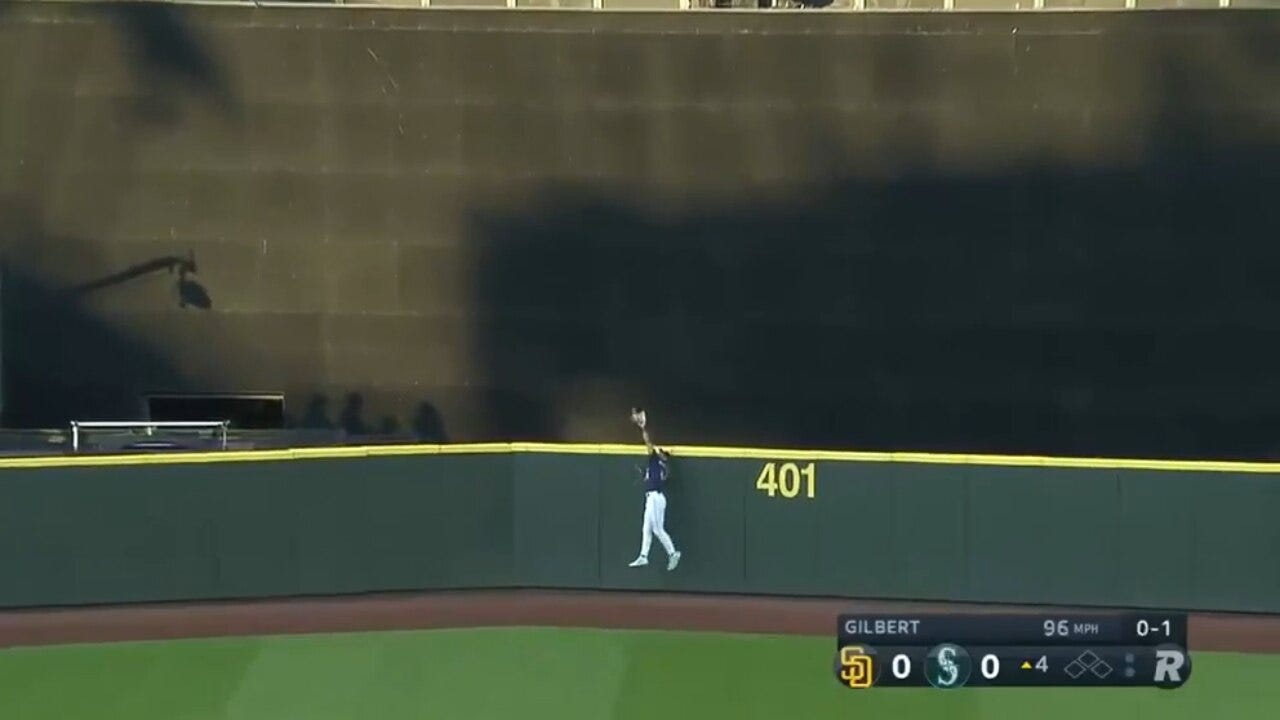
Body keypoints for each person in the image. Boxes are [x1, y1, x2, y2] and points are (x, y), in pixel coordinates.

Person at [628, 408, 682, 571]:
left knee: (658, 529)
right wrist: (646, 475)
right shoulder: (659, 466)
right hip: (652, 497)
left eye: (665, 454)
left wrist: (643, 427)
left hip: (656, 498)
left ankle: (673, 553)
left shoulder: (656, 461)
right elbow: (655, 476)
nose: (663, 455)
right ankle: (643, 556)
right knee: (646, 528)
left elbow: (648, 443)